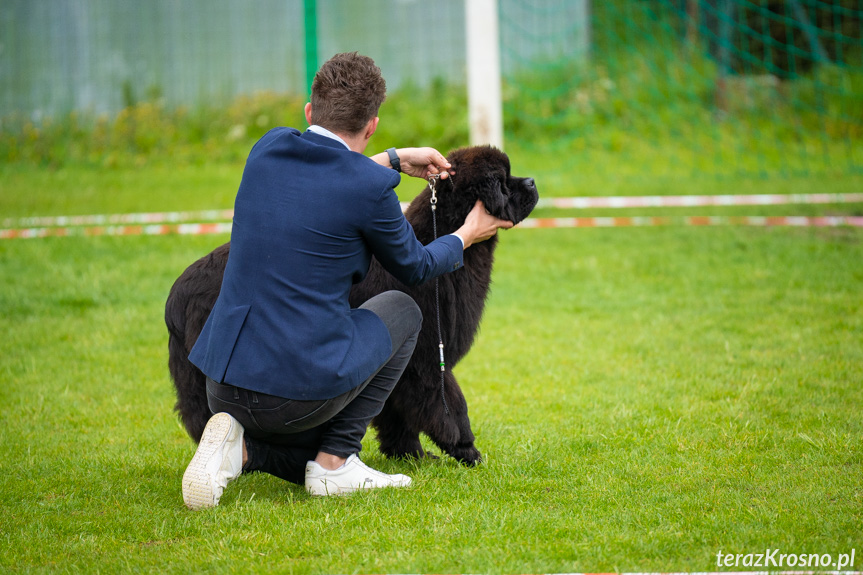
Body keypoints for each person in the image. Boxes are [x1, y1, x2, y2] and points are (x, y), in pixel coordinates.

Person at [181, 52, 512, 510]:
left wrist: (392, 160)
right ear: (372, 125)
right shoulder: (370, 190)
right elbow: (415, 266)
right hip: (295, 398)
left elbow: (323, 175)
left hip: (223, 384)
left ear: (309, 112)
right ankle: (335, 462)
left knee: (292, 451)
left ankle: (238, 447)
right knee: (402, 309)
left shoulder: (267, 150)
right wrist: (467, 234)